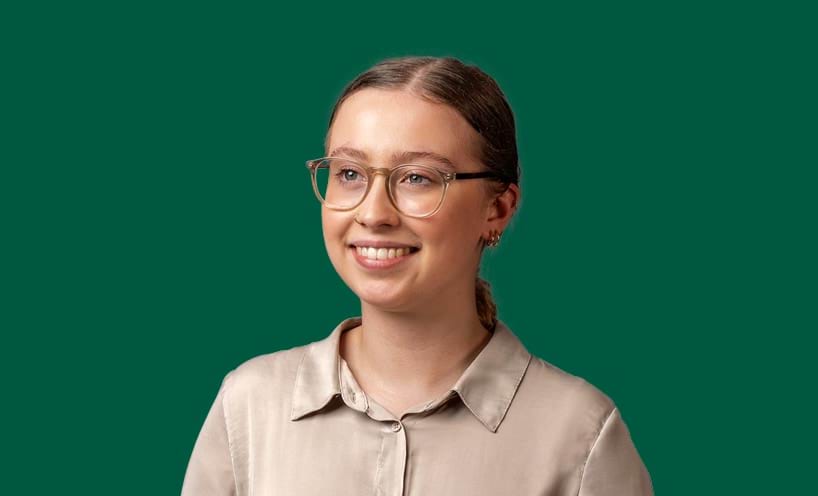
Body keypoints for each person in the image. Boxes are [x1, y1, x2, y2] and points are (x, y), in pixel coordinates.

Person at [181, 56, 654, 495]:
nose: (373, 213)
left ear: (498, 207)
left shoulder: (581, 435)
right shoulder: (248, 405)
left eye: (417, 178)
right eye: (349, 173)